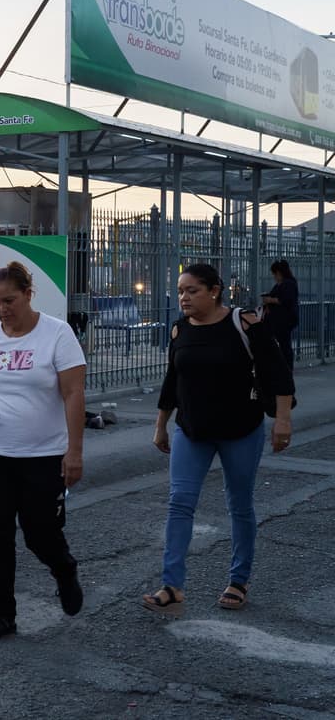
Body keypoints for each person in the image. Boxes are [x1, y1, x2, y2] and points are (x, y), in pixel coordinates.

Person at [143, 263, 294, 616]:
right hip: (192, 430)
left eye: (192, 290)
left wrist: (282, 421)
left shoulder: (245, 325)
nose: (184, 297)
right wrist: (161, 424)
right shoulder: (180, 330)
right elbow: (172, 381)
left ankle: (238, 580)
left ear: (214, 291)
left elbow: (278, 373)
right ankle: (172, 585)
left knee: (239, 505)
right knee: (179, 503)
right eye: (181, 291)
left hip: (240, 430)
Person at [0, 261, 87, 642]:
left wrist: (74, 452)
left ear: (28, 294)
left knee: (40, 533)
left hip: (42, 456)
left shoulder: (56, 334)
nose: (1, 310)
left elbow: (73, 393)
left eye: (9, 301)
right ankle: (1, 614)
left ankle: (63, 570)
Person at [260, 259, 299, 371]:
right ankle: (282, 366)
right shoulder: (281, 284)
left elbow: (285, 300)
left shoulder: (289, 284)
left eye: (275, 274)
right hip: (277, 320)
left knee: (284, 344)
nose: (274, 277)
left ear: (279, 272)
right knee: (281, 343)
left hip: (284, 320)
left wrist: (270, 300)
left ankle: (287, 367)